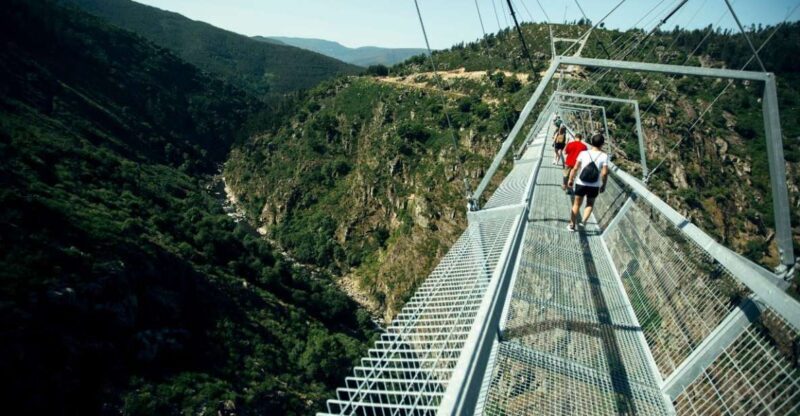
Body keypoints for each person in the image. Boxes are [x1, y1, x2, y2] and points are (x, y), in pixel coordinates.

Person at [567, 133, 610, 231]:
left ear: (591, 142)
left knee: (576, 204)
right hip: (594, 185)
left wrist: (570, 179)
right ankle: (584, 221)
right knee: (590, 204)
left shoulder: (584, 153)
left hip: (581, 183)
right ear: (602, 144)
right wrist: (603, 185)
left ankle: (572, 225)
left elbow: (575, 168)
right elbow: (604, 173)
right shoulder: (604, 156)